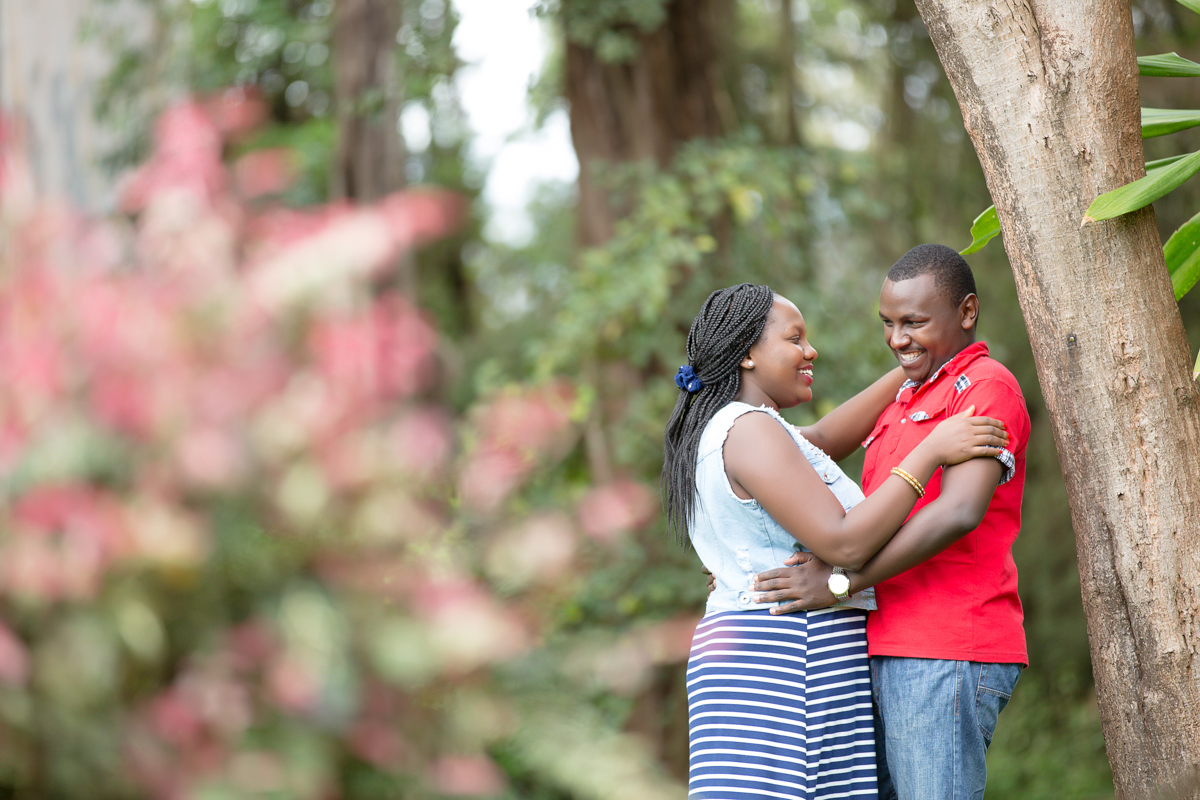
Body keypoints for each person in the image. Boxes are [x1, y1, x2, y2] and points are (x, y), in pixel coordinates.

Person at [663, 282, 1009, 799]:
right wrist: (930, 450)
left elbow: (822, 439)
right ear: (748, 355)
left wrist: (925, 358)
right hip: (786, 662)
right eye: (794, 338)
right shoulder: (749, 429)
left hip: (762, 653)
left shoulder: (734, 428)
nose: (810, 351)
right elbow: (845, 545)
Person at [749, 244, 1031, 800]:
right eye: (888, 323)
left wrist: (842, 582)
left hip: (945, 646)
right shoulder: (906, 396)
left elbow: (959, 511)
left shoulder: (985, 388)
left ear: (967, 313)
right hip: (882, 642)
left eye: (914, 323)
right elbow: (804, 451)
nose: (897, 338)